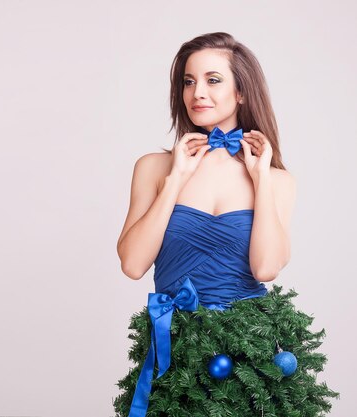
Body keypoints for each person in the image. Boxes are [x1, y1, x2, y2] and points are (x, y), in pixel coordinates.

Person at [113, 32, 338, 417]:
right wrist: (175, 181)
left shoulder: (279, 182)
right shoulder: (153, 167)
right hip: (179, 344)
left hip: (251, 349)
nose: (197, 91)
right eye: (188, 81)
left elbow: (265, 268)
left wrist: (261, 179)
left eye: (212, 80)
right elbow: (133, 264)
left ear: (242, 93)